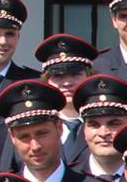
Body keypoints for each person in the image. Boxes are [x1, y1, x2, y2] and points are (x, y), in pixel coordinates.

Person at [33, 34, 98, 164]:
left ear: (88, 77)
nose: (67, 83)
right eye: (58, 76)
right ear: (47, 81)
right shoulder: (32, 125)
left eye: (75, 74)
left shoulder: (104, 124)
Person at [72, 73, 127, 182]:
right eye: (94, 125)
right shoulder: (70, 180)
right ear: (84, 130)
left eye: (114, 124)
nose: (103, 133)